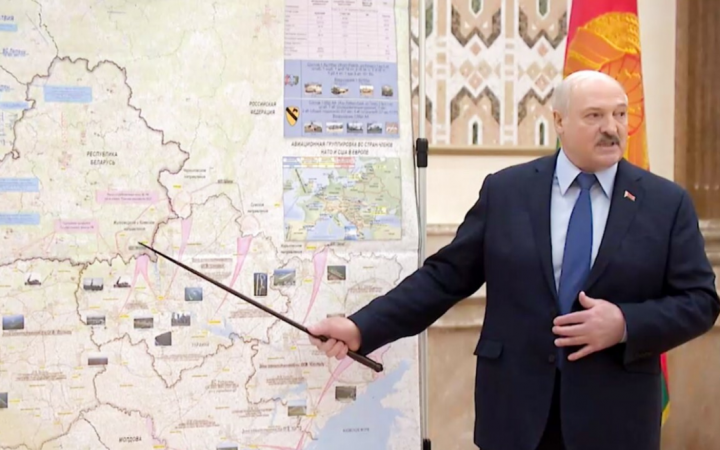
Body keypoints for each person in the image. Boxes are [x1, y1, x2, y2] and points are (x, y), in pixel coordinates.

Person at [307, 70, 720, 450]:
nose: (611, 128)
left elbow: (700, 301)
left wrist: (626, 323)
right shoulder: (507, 192)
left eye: (620, 114)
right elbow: (444, 277)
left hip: (615, 419)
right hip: (516, 416)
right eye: (594, 115)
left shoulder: (665, 203)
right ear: (559, 121)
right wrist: (361, 327)